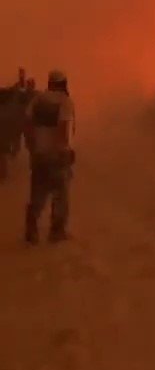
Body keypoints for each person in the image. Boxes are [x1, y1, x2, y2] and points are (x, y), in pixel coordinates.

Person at [23, 70, 75, 244]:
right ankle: (56, 232)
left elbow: (27, 124)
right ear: (64, 83)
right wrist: (64, 151)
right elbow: (63, 128)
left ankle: (31, 229)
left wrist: (31, 147)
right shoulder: (64, 102)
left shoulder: (37, 100)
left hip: (38, 154)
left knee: (37, 193)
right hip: (56, 155)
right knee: (60, 194)